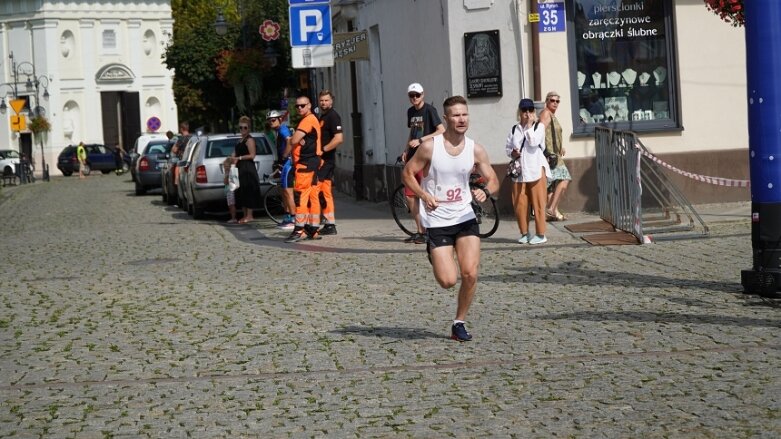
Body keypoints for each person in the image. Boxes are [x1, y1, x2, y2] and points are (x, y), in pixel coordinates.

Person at [402, 95, 499, 342]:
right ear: (445, 119)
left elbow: (494, 179)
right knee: (448, 280)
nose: (461, 119)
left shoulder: (475, 149)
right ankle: (435, 253)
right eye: (455, 115)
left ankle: (459, 322)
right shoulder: (429, 147)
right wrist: (424, 195)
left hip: (465, 216)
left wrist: (484, 190)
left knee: (470, 273)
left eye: (464, 114)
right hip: (437, 220)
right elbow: (408, 174)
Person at [402, 82, 445, 244]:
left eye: (417, 95)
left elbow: (441, 130)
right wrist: (406, 150)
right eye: (411, 96)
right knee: (411, 196)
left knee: (425, 193)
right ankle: (421, 230)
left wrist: (421, 140)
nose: (414, 98)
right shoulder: (410, 112)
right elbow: (411, 133)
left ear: (423, 94)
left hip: (426, 157)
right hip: (413, 157)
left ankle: (429, 230)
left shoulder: (429, 110)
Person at [505, 98, 551, 244]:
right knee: (520, 204)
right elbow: (507, 148)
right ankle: (524, 232)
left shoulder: (539, 127)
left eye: (530, 110)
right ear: (519, 112)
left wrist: (530, 125)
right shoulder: (514, 129)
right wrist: (513, 153)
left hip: (536, 169)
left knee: (538, 203)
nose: (527, 113)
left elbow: (534, 142)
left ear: (534, 111)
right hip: (519, 172)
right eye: (524, 110)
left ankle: (541, 234)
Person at [285, 95, 322, 243]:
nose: (299, 108)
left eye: (302, 105)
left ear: (309, 105)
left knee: (301, 197)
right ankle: (312, 229)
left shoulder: (307, 120)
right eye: (297, 106)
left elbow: (293, 140)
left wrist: (292, 138)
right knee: (313, 197)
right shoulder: (313, 119)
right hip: (313, 162)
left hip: (305, 164)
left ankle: (299, 230)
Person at [539, 91, 572, 221]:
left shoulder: (552, 115)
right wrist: (545, 152)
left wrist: (560, 147)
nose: (555, 103)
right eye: (552, 100)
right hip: (550, 155)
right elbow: (540, 132)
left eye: (557, 101)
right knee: (564, 179)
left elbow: (552, 134)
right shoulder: (546, 113)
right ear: (546, 101)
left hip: (555, 153)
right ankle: (551, 209)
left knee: (552, 185)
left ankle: (553, 212)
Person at [317, 90, 344, 235]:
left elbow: (339, 138)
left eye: (326, 100)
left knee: (318, 190)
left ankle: (327, 222)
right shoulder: (324, 116)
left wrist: (323, 150)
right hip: (322, 160)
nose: (324, 103)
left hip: (326, 160)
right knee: (325, 192)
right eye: (321, 100)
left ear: (331, 101)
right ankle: (330, 223)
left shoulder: (333, 116)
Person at [267, 110, 295, 230]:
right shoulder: (277, 131)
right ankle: (288, 216)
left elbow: (290, 141)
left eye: (273, 120)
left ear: (280, 119)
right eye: (269, 121)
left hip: (288, 163)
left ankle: (293, 218)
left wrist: (285, 156)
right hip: (283, 164)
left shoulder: (283, 129)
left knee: (288, 192)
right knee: (284, 191)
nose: (271, 122)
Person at [232, 116, 262, 224]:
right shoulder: (239, 140)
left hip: (247, 168)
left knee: (248, 190)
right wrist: (231, 161)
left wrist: (239, 158)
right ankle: (244, 215)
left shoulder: (250, 140)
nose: (243, 130)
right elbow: (234, 154)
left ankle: (249, 215)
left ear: (249, 128)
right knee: (242, 192)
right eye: (241, 127)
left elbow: (252, 155)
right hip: (240, 168)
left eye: (245, 127)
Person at [222, 158, 238, 224]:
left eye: (226, 166)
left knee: (231, 204)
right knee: (230, 204)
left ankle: (233, 218)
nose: (225, 167)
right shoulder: (227, 171)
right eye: (224, 166)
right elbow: (225, 182)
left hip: (231, 189)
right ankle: (233, 217)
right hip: (229, 189)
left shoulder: (233, 170)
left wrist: (227, 175)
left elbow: (235, 182)